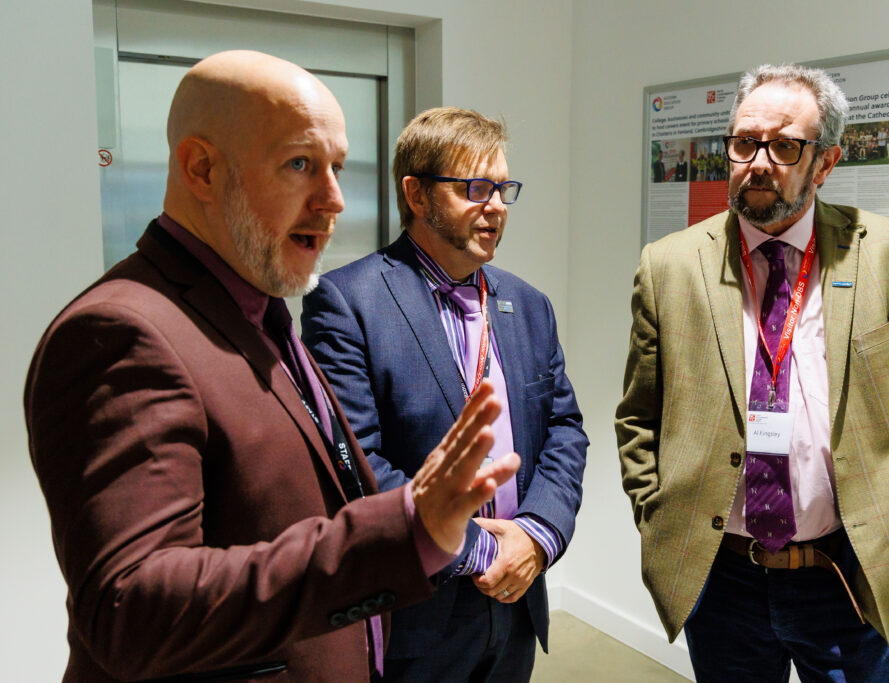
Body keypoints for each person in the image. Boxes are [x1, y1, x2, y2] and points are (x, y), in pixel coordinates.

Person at [24, 51, 519, 683]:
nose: (333, 200)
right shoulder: (121, 334)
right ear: (201, 168)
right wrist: (403, 530)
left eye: (336, 168)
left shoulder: (259, 308)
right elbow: (133, 611)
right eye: (300, 165)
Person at [616, 63, 889, 681]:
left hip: (845, 576)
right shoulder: (669, 265)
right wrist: (658, 518)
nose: (759, 162)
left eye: (785, 146)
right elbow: (638, 417)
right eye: (745, 143)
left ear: (824, 164)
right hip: (721, 579)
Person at [302, 106, 588, 681]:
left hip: (517, 600)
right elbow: (355, 461)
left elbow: (564, 431)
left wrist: (537, 537)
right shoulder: (346, 303)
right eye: (476, 188)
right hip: (416, 611)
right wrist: (477, 550)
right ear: (417, 193)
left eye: (504, 187)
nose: (497, 206)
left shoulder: (528, 304)